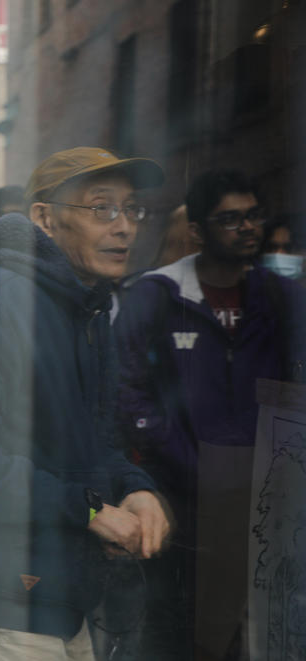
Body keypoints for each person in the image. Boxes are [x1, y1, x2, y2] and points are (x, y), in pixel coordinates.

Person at [0, 147, 172, 660]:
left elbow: (99, 442)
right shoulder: (4, 299)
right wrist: (90, 510)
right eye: (101, 208)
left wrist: (136, 490)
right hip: (11, 606)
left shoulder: (87, 307)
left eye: (132, 209)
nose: (124, 227)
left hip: (66, 602)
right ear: (44, 219)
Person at [115, 169, 306, 660]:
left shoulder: (280, 298)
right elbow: (128, 392)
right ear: (197, 231)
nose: (247, 228)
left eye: (253, 217)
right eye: (230, 219)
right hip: (183, 500)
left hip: (262, 502)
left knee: (255, 634)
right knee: (180, 635)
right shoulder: (157, 296)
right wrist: (178, 459)